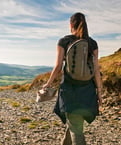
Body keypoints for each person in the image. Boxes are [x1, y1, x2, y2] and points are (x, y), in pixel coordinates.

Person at [43, 12, 102, 145]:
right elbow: (96, 70)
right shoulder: (93, 43)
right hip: (88, 91)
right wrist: (100, 92)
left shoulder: (64, 41)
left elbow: (58, 67)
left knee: (76, 126)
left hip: (69, 91)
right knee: (75, 122)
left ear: (71, 24)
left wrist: (48, 84)